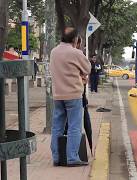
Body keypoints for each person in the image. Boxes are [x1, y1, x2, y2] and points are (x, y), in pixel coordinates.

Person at [49, 27, 91, 167]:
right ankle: (72, 158)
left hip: (58, 95)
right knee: (74, 127)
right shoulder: (76, 53)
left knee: (57, 127)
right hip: (73, 95)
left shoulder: (53, 52)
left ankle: (56, 157)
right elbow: (87, 69)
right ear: (75, 39)